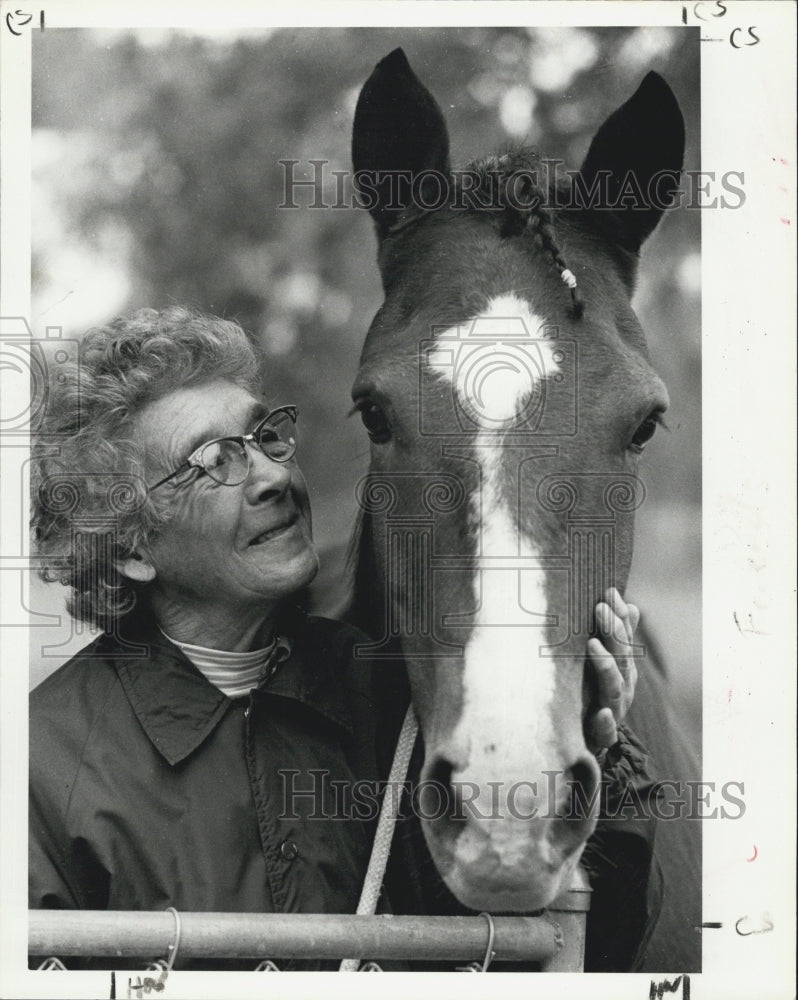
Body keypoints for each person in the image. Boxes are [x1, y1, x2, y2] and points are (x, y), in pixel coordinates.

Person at [29, 306, 656, 971]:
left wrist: (596, 757)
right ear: (129, 547)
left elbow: (576, 960)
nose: (272, 477)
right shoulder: (42, 769)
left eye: (266, 438)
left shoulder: (400, 700)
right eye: (216, 462)